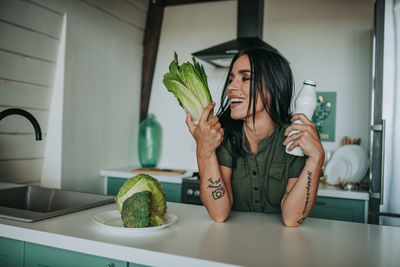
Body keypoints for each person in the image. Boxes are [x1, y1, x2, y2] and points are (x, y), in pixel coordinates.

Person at [186, 48, 325, 227]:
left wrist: (316, 159)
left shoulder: (296, 137)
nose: (231, 87)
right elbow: (219, 214)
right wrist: (203, 152)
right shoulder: (224, 136)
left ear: (274, 85)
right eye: (231, 79)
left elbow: (292, 219)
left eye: (245, 78)